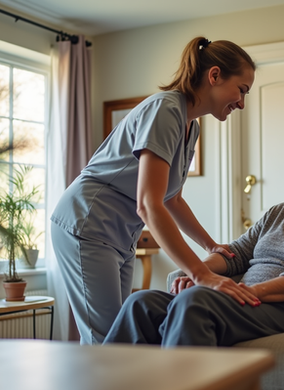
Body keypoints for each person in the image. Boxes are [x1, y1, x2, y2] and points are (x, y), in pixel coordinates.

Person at [50, 37, 257, 344]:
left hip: (120, 235)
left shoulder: (191, 126)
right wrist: (202, 275)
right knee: (106, 341)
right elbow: (149, 204)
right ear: (214, 76)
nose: (242, 102)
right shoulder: (165, 110)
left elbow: (171, 197)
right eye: (241, 90)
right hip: (87, 223)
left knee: (119, 336)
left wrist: (210, 245)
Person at [103, 135, 284, 347]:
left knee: (195, 303)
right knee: (141, 303)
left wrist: (250, 291)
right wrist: (199, 273)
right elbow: (237, 254)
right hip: (250, 302)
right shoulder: (278, 212)